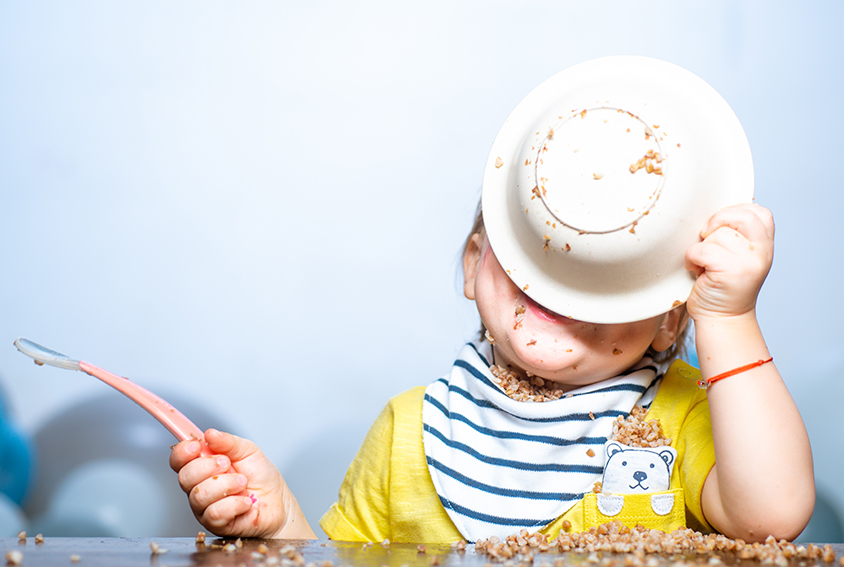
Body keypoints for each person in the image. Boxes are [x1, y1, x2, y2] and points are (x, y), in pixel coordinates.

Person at [170, 60, 815, 543]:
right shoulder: (410, 433)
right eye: (538, 257)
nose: (563, 287)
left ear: (669, 316)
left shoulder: (682, 419)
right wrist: (282, 524)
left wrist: (728, 319)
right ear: (477, 259)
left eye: (603, 276)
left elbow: (772, 516)